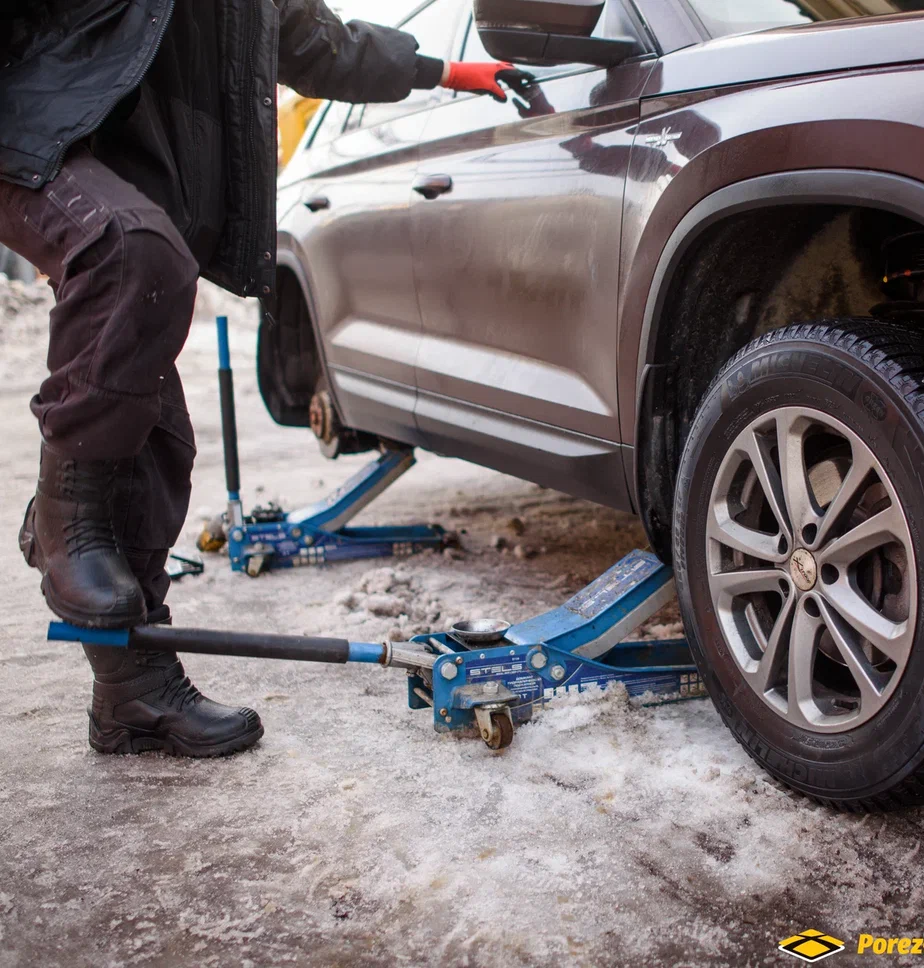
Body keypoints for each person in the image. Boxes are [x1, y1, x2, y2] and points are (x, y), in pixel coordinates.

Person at [0, 0, 528, 758]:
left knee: (157, 446)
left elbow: (317, 43)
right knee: (133, 251)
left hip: (122, 170)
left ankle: (131, 692)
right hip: (34, 136)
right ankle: (63, 521)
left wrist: (442, 68)